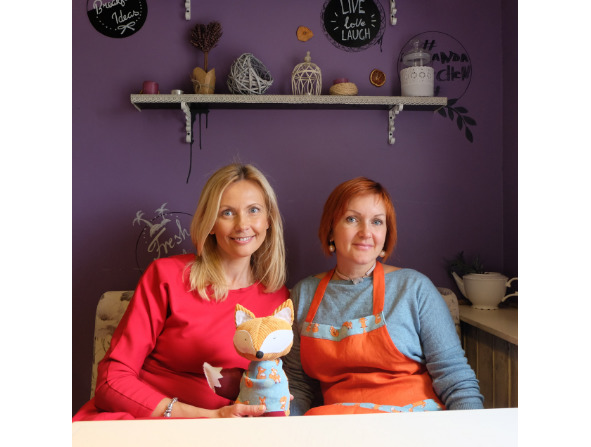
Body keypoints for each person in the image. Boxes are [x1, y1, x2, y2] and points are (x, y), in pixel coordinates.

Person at [73, 163, 289, 420]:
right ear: (210, 223)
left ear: (268, 220)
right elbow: (112, 380)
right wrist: (207, 417)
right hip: (145, 422)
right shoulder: (166, 276)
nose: (242, 225)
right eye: (227, 213)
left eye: (253, 210)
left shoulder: (278, 298)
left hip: (230, 431)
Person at [284, 177, 484, 415]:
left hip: (415, 423)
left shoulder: (414, 287)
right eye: (352, 219)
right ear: (330, 230)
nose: (365, 232)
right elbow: (296, 386)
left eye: (377, 222)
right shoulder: (303, 294)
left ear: (386, 235)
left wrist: (470, 431)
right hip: (340, 425)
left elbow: (456, 379)